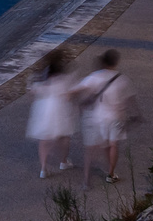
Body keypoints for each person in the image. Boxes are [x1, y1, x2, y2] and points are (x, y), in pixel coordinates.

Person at [74, 49, 138, 187]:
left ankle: (86, 180)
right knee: (113, 144)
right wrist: (136, 114)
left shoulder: (95, 76)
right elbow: (130, 100)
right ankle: (111, 173)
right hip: (117, 117)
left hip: (98, 117)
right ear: (116, 62)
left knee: (92, 148)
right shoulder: (122, 79)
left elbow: (77, 90)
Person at [25, 49, 76, 178]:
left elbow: (32, 92)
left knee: (44, 139)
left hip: (43, 109)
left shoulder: (39, 76)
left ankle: (43, 169)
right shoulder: (63, 77)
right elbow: (68, 95)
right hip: (59, 108)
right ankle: (63, 161)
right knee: (64, 136)